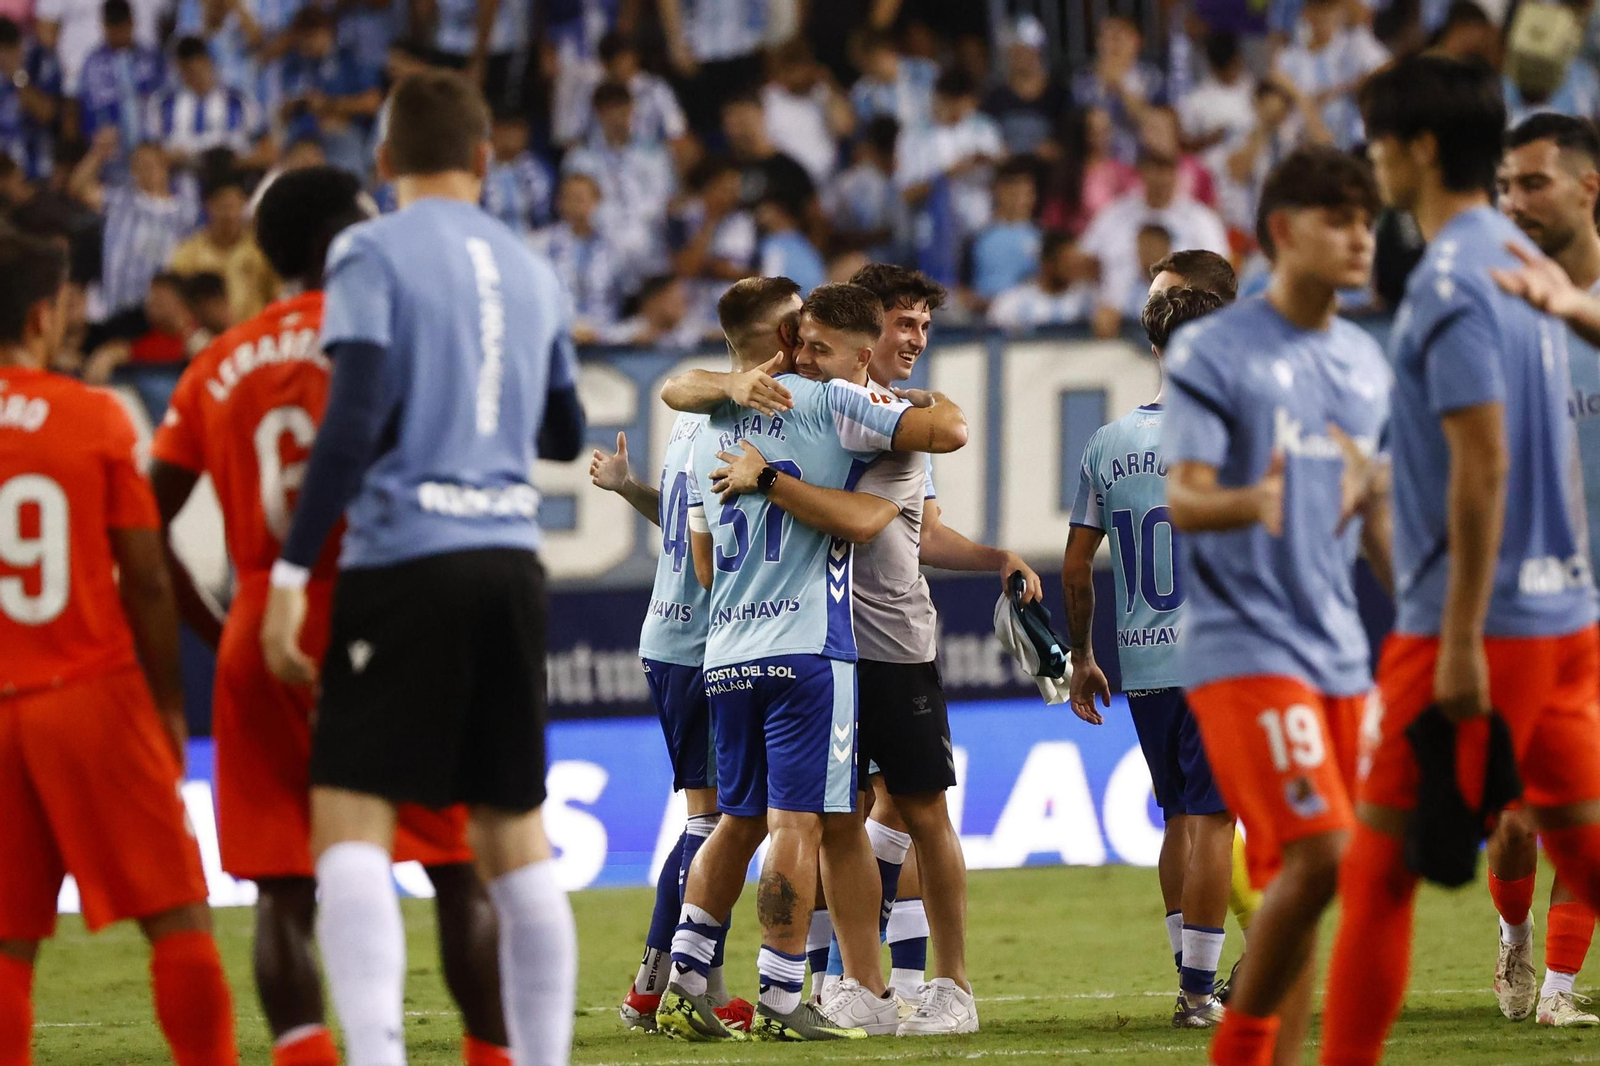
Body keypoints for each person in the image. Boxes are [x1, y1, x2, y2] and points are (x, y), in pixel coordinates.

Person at [149, 165, 518, 1066]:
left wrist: (218, 629)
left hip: (261, 626)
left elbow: (142, 525)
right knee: (454, 863)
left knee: (284, 885)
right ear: (349, 237)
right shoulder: (400, 334)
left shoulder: (216, 364)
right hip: (388, 609)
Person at [258, 70, 585, 1066]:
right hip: (509, 563)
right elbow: (564, 433)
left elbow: (353, 416)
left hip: (404, 559)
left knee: (351, 822)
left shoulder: (368, 249)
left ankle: (377, 1056)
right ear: (485, 159)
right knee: (514, 840)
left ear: (385, 160)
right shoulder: (533, 268)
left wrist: (289, 576)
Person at [1322, 58, 1600, 1066]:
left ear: (1421, 147)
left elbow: (1483, 465)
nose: (1372, 162)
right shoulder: (1524, 264)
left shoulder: (1450, 280)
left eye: (1377, 141)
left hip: (1483, 625)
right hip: (1565, 615)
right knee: (1583, 849)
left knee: (1377, 877)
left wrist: (1459, 637)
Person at [716, 264, 1045, 1035]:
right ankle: (858, 983)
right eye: (905, 323)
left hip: (893, 644)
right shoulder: (823, 406)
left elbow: (898, 525)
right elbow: (690, 388)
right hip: (821, 647)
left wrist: (995, 555)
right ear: (867, 333)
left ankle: (952, 985)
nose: (915, 339)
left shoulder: (894, 421)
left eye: (924, 327)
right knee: (839, 818)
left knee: (923, 811)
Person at [654, 282, 970, 1041]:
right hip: (808, 652)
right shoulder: (836, 404)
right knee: (798, 822)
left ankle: (687, 977)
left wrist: (735, 390)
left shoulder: (710, 418)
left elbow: (702, 554)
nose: (805, 347)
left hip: (725, 651)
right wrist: (911, 398)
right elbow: (938, 443)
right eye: (801, 335)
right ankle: (782, 993)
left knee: (743, 821)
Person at [1161, 145, 1390, 1066]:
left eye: (1368, 219)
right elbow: (1185, 497)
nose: (1361, 237)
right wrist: (1253, 499)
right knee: (1321, 854)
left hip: (1339, 651)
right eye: (1340, 220)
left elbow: (1373, 507)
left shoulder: (1365, 361)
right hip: (1243, 645)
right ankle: (1240, 1044)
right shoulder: (1216, 351)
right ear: (1284, 231)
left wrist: (1431, 618)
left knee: (1318, 878)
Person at [0, 231, 238, 1066]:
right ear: (43, 316)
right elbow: (146, 579)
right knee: (178, 915)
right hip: (90, 694)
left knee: (7, 942)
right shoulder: (92, 414)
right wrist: (169, 704)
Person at [588, 278, 805, 1034]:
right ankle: (653, 990)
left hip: (677, 638)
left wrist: (629, 491)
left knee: (719, 820)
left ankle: (692, 985)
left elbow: (688, 522)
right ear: (781, 335)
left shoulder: (694, 415)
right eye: (798, 319)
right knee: (717, 825)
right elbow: (713, 560)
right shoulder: (737, 414)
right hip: (703, 642)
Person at [1063, 261, 1238, 1030]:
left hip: (1143, 661)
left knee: (1178, 819)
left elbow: (1076, 566)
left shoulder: (1108, 443)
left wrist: (1081, 656)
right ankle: (1197, 993)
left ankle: (1191, 977)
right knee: (1214, 822)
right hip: (1220, 657)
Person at [1481, 112, 1600, 1031]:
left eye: (1533, 184)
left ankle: (1559, 986)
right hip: (1532, 601)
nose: (1515, 203)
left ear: (1588, 188)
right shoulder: (1498, 312)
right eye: (1505, 188)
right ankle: (1515, 938)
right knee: (1520, 818)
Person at [72, 134, 200, 317]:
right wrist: (97, 154)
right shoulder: (120, 200)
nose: (146, 170)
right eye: (139, 165)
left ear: (165, 165)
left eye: (151, 163)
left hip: (156, 312)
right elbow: (78, 188)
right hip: (115, 309)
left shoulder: (184, 212)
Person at [167, 172, 278, 323]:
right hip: (206, 333)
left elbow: (278, 296)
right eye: (222, 207)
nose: (229, 214)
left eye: (234, 206)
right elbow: (178, 304)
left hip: (256, 330)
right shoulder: (187, 253)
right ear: (208, 206)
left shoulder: (261, 249)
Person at [147, 37, 271, 169]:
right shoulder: (163, 103)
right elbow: (147, 156)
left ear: (210, 63)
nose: (197, 76)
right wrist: (181, 159)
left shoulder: (239, 101)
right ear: (179, 69)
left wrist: (231, 163)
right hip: (181, 177)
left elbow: (269, 152)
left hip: (233, 177)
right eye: (189, 70)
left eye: (200, 67)